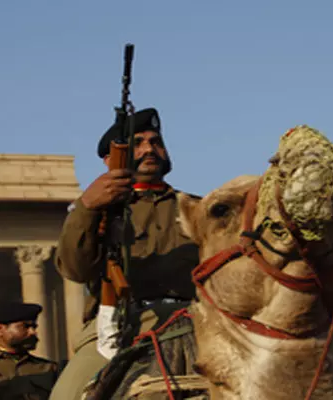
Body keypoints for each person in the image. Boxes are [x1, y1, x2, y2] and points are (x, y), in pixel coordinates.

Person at [49, 107, 201, 399]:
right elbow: (74, 269)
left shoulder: (197, 207)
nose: (149, 149)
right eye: (138, 143)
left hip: (195, 320)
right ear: (111, 160)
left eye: (156, 142)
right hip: (119, 324)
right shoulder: (95, 211)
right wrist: (88, 208)